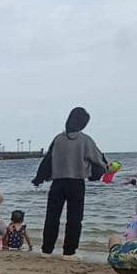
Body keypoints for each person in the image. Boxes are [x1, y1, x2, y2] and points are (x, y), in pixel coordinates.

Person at [33, 106, 108, 256]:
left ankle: (46, 250)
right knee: (74, 220)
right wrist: (106, 169)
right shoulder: (85, 140)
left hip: (57, 184)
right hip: (76, 183)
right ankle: (69, 252)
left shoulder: (58, 139)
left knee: (52, 218)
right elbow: (99, 160)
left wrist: (39, 178)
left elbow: (47, 160)